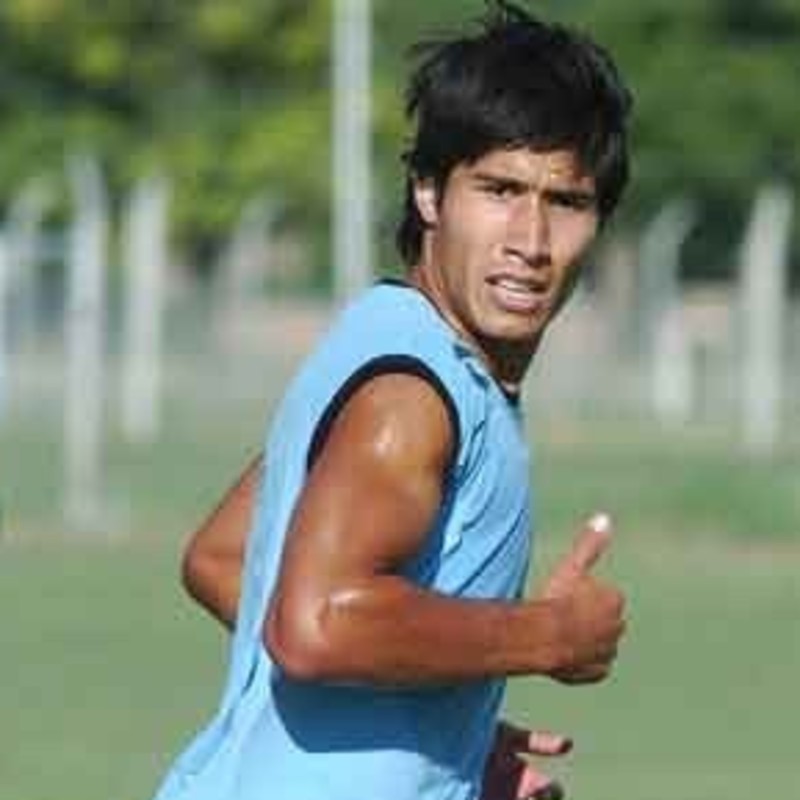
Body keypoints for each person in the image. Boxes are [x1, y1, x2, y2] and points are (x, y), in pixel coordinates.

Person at [151, 3, 632, 799]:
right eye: (500, 189)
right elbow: (315, 623)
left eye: (566, 202)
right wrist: (547, 635)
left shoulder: (390, 338)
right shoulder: (411, 398)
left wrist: (433, 723)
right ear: (429, 193)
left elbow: (225, 557)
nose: (530, 240)